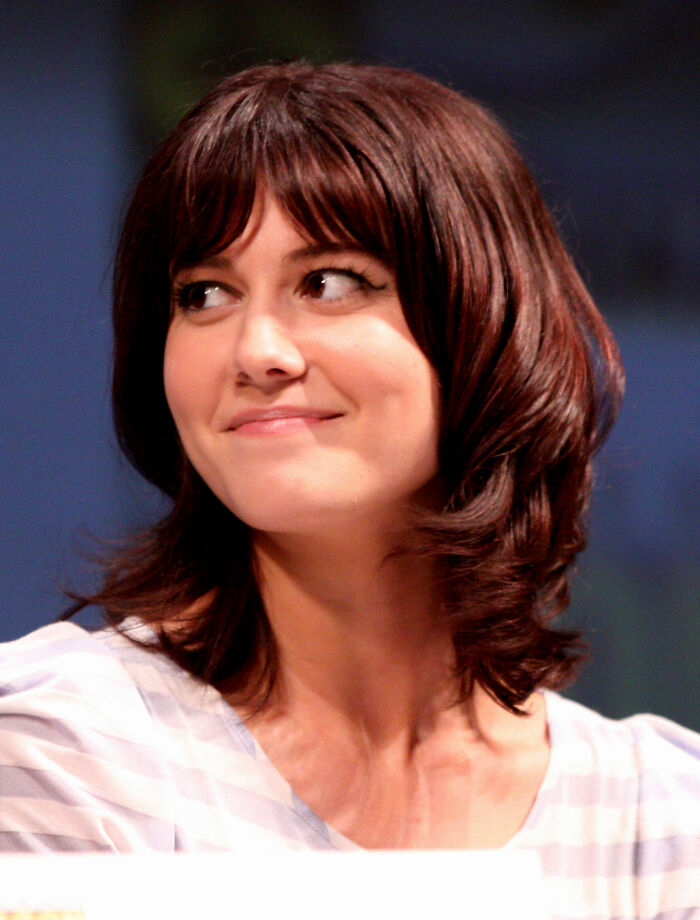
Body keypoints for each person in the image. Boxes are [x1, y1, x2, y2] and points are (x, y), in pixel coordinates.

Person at [1, 62, 698, 916]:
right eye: (205, 294)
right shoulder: (64, 745)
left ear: (484, 320)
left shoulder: (660, 819)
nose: (257, 351)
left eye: (328, 282)